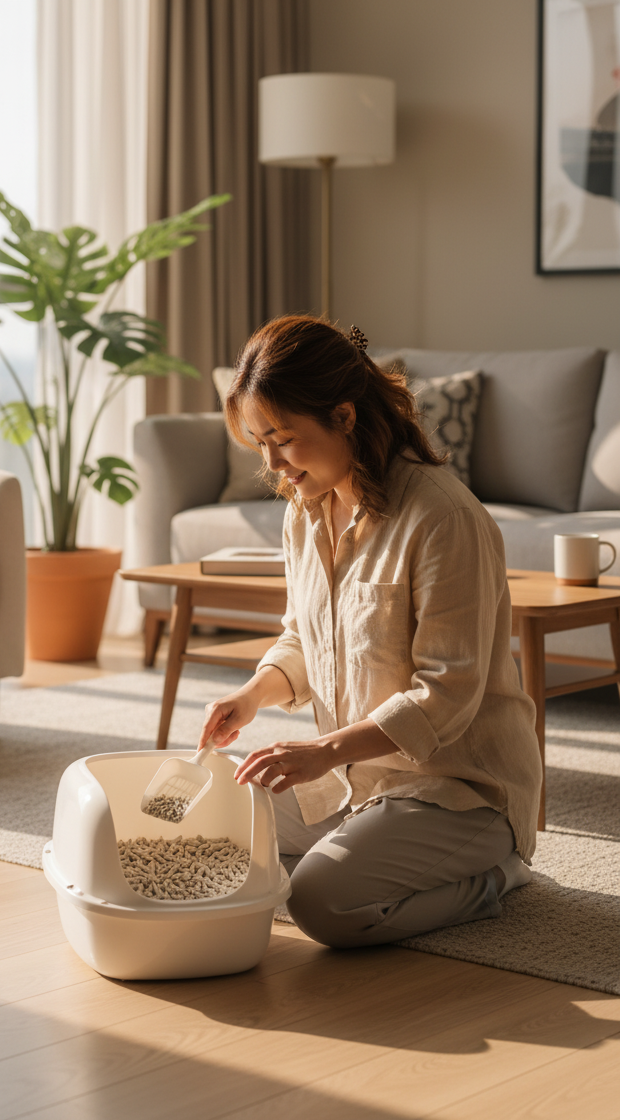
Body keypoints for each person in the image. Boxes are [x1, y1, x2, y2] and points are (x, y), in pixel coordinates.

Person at [198, 315, 543, 948]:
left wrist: (322, 752)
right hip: (355, 781)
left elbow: (446, 694)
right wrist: (250, 696)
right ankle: (360, 847)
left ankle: (499, 872)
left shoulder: (443, 517)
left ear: (345, 417)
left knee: (320, 905)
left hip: (459, 790)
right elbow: (303, 638)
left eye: (282, 438)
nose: (271, 463)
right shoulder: (305, 512)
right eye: (258, 442)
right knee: (210, 822)